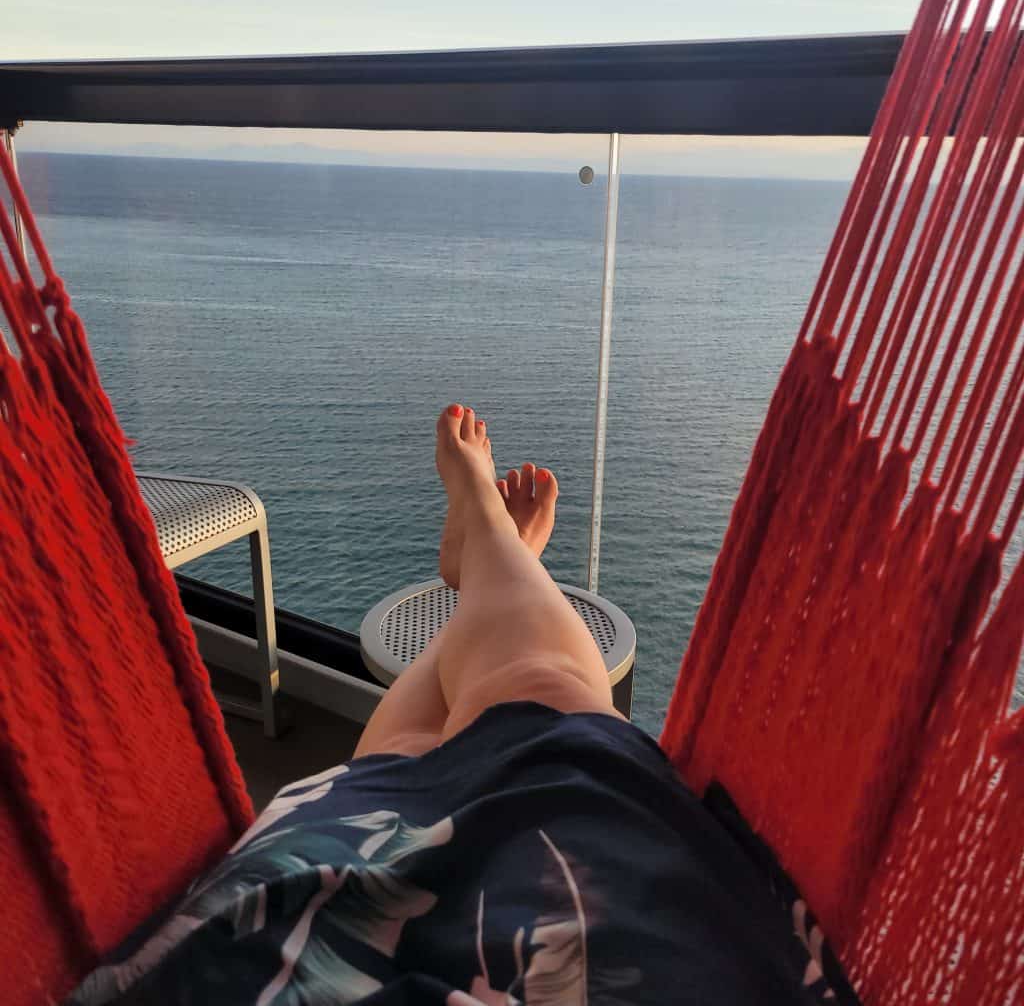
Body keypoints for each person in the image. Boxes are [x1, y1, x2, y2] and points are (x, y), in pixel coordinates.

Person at [68, 406, 856, 1006]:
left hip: (272, 939)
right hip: (603, 930)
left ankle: (486, 549)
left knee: (415, 757)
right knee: (530, 697)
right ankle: (489, 549)